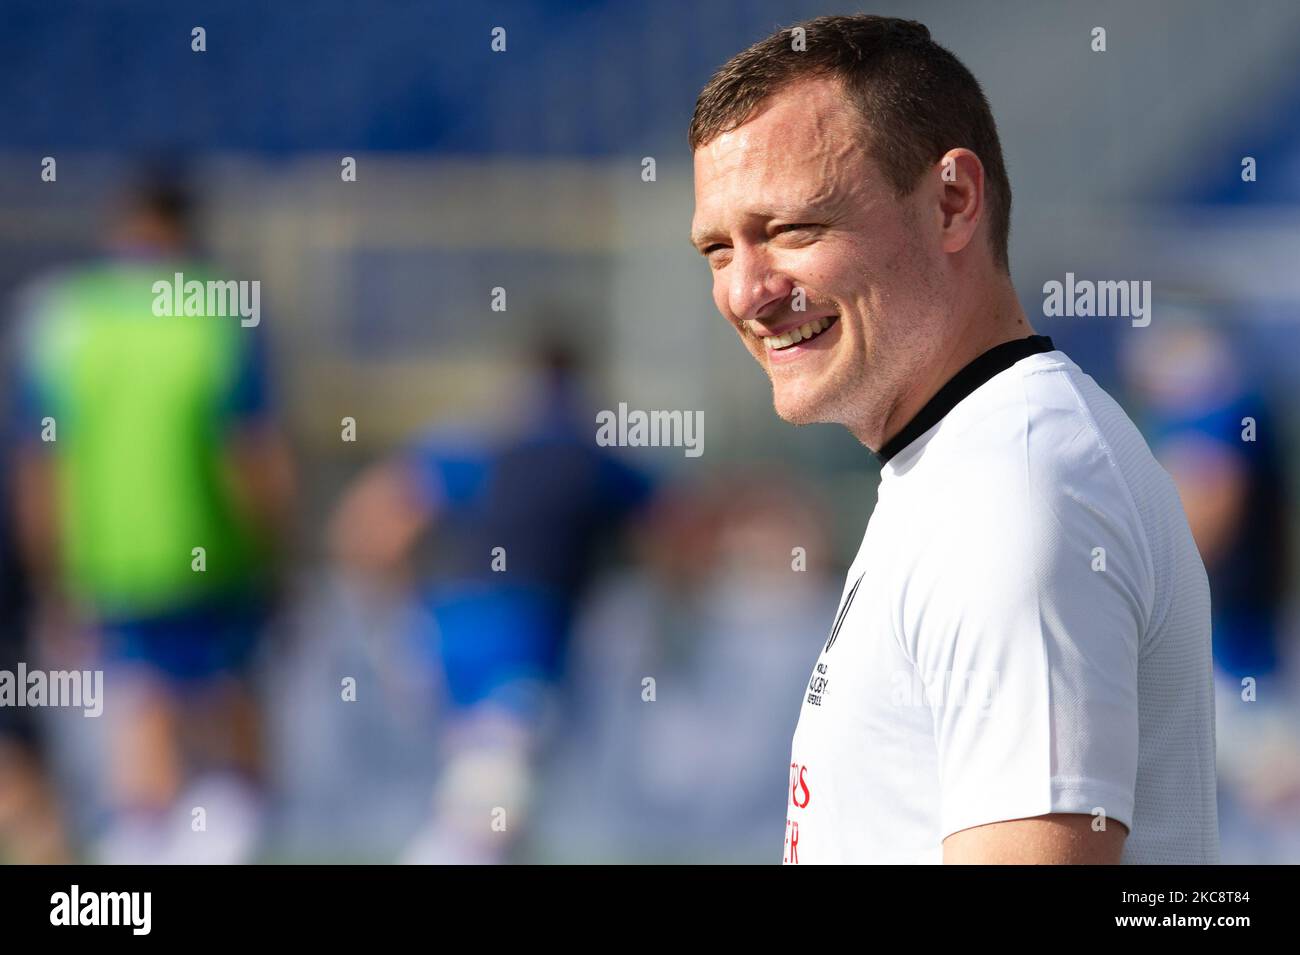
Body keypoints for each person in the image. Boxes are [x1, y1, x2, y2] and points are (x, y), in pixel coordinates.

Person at [688, 14, 1217, 864]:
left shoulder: (1015, 490)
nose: (746, 291)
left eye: (790, 230)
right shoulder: (967, 465)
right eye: (717, 248)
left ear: (952, 203)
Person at [10, 170, 294, 862]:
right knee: (232, 706)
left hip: (109, 554)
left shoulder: (65, 316)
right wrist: (277, 553)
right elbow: (252, 456)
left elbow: (42, 462)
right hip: (212, 549)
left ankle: (142, 858)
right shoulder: (219, 314)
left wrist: (48, 571)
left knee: (145, 710)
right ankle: (220, 837)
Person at [330, 337, 653, 863]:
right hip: (524, 648)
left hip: (442, 634)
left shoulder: (480, 444)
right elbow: (673, 529)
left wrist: (393, 611)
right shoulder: (592, 456)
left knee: (492, 796)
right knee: (491, 802)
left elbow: (372, 522)